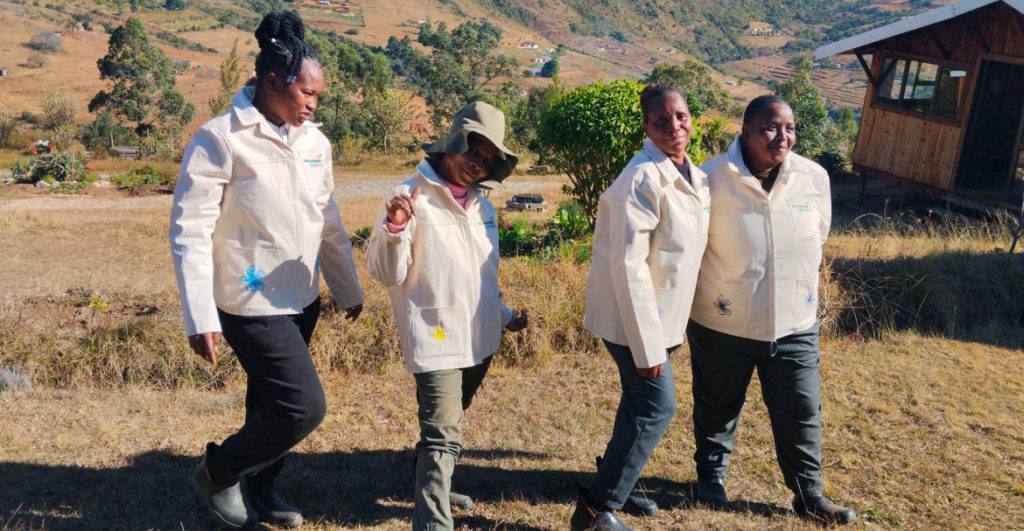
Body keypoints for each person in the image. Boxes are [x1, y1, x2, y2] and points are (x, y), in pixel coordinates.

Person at [169, 11, 364, 529]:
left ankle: (261, 487)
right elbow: (189, 230)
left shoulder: (315, 143)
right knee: (301, 406)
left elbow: (327, 220)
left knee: (267, 403)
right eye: (307, 94)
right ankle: (217, 472)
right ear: (272, 82)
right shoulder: (221, 139)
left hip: (302, 297)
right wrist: (199, 315)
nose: (314, 104)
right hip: (249, 301)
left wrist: (347, 288)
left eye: (318, 95)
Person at [687, 94, 857, 525]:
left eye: (790, 128)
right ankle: (711, 478)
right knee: (717, 404)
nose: (782, 137)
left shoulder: (813, 178)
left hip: (795, 323)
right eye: (769, 127)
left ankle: (809, 495)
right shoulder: (709, 179)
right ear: (745, 131)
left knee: (802, 410)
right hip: (723, 322)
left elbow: (819, 235)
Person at [366, 101, 528, 531]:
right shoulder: (409, 195)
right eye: (473, 151)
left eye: (487, 160)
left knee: (448, 426)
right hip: (436, 334)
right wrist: (396, 227)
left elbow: (481, 279)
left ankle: (431, 483)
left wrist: (504, 315)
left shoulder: (482, 208)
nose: (477, 164)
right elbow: (386, 272)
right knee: (442, 434)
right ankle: (434, 522)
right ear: (453, 143)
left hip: (480, 336)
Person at [571, 85, 710, 531]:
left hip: (662, 315)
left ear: (691, 118)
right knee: (655, 408)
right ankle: (596, 508)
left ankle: (620, 484)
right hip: (633, 320)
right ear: (646, 127)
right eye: (661, 120)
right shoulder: (642, 178)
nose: (674, 126)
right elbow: (628, 267)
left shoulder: (693, 174)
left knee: (637, 405)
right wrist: (647, 345)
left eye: (681, 116)